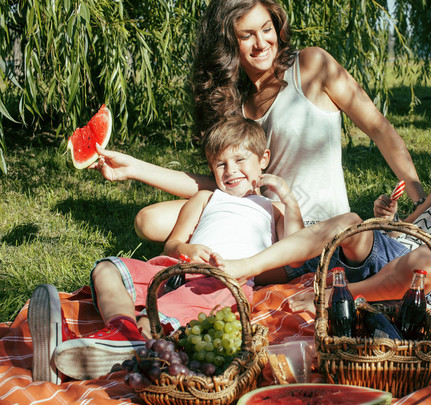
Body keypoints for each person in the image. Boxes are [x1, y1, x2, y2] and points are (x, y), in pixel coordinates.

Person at [90, 0, 426, 243]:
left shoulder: (311, 66)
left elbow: (379, 129)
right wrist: (133, 167)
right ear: (228, 42)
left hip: (315, 224)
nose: (261, 42)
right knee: (148, 220)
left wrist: (420, 199)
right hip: (259, 215)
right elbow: (222, 181)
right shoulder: (230, 100)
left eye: (267, 29)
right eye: (247, 35)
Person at [28, 116, 324, 382]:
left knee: (155, 318)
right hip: (171, 267)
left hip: (219, 281)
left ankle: (92, 354)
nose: (230, 170)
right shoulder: (206, 198)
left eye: (240, 160)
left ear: (263, 159)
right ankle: (121, 330)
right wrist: (186, 247)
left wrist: (287, 197)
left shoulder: (272, 209)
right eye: (220, 164)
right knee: (107, 268)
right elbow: (173, 243)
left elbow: (292, 250)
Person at [214, 125, 431, 313]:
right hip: (387, 256)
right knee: (350, 220)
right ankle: (244, 267)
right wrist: (389, 217)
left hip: (418, 290)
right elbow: (409, 229)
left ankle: (335, 297)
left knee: (426, 259)